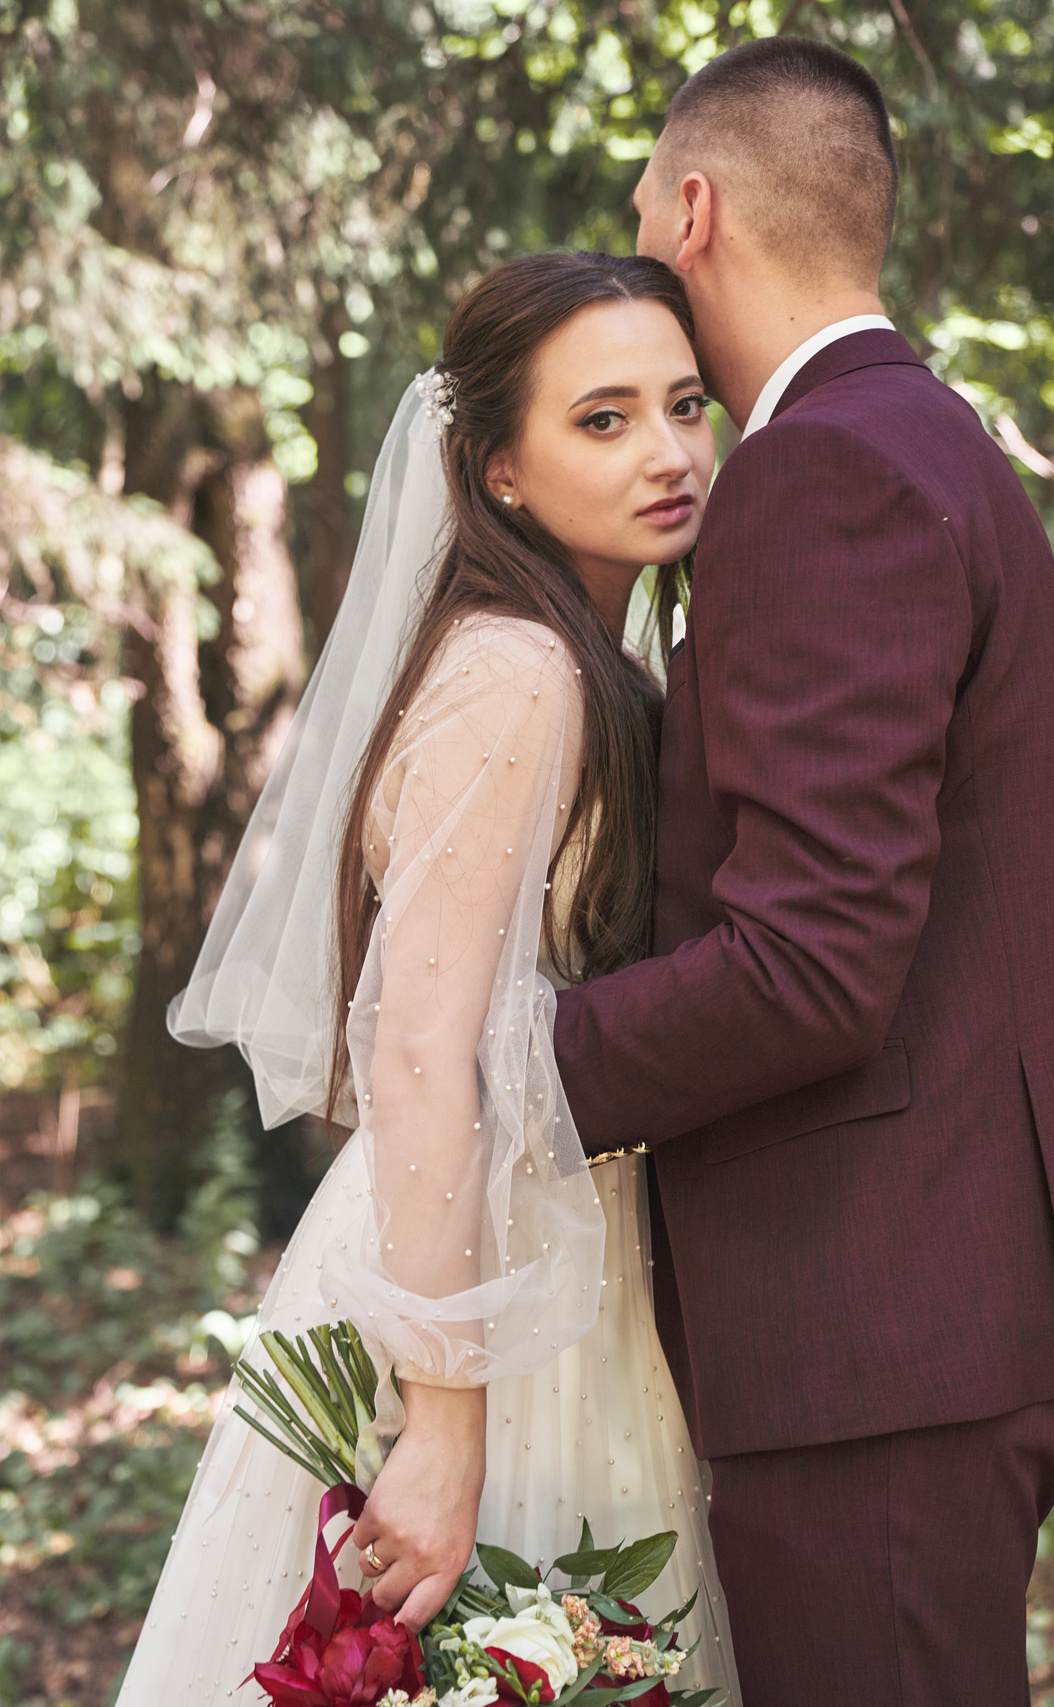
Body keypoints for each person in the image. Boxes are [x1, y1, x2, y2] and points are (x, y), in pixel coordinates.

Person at [542, 38, 1054, 1705]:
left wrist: (518, 1072)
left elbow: (813, 960)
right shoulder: (927, 435)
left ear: (695, 209)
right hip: (932, 1297)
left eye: (641, 212)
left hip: (881, 1321)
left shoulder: (821, 472)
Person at [126, 250, 740, 1699]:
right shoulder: (516, 669)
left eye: (685, 404)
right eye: (603, 419)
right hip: (468, 1283)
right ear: (501, 471)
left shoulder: (583, 644)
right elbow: (421, 1049)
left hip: (564, 1259)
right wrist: (444, 1417)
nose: (666, 452)